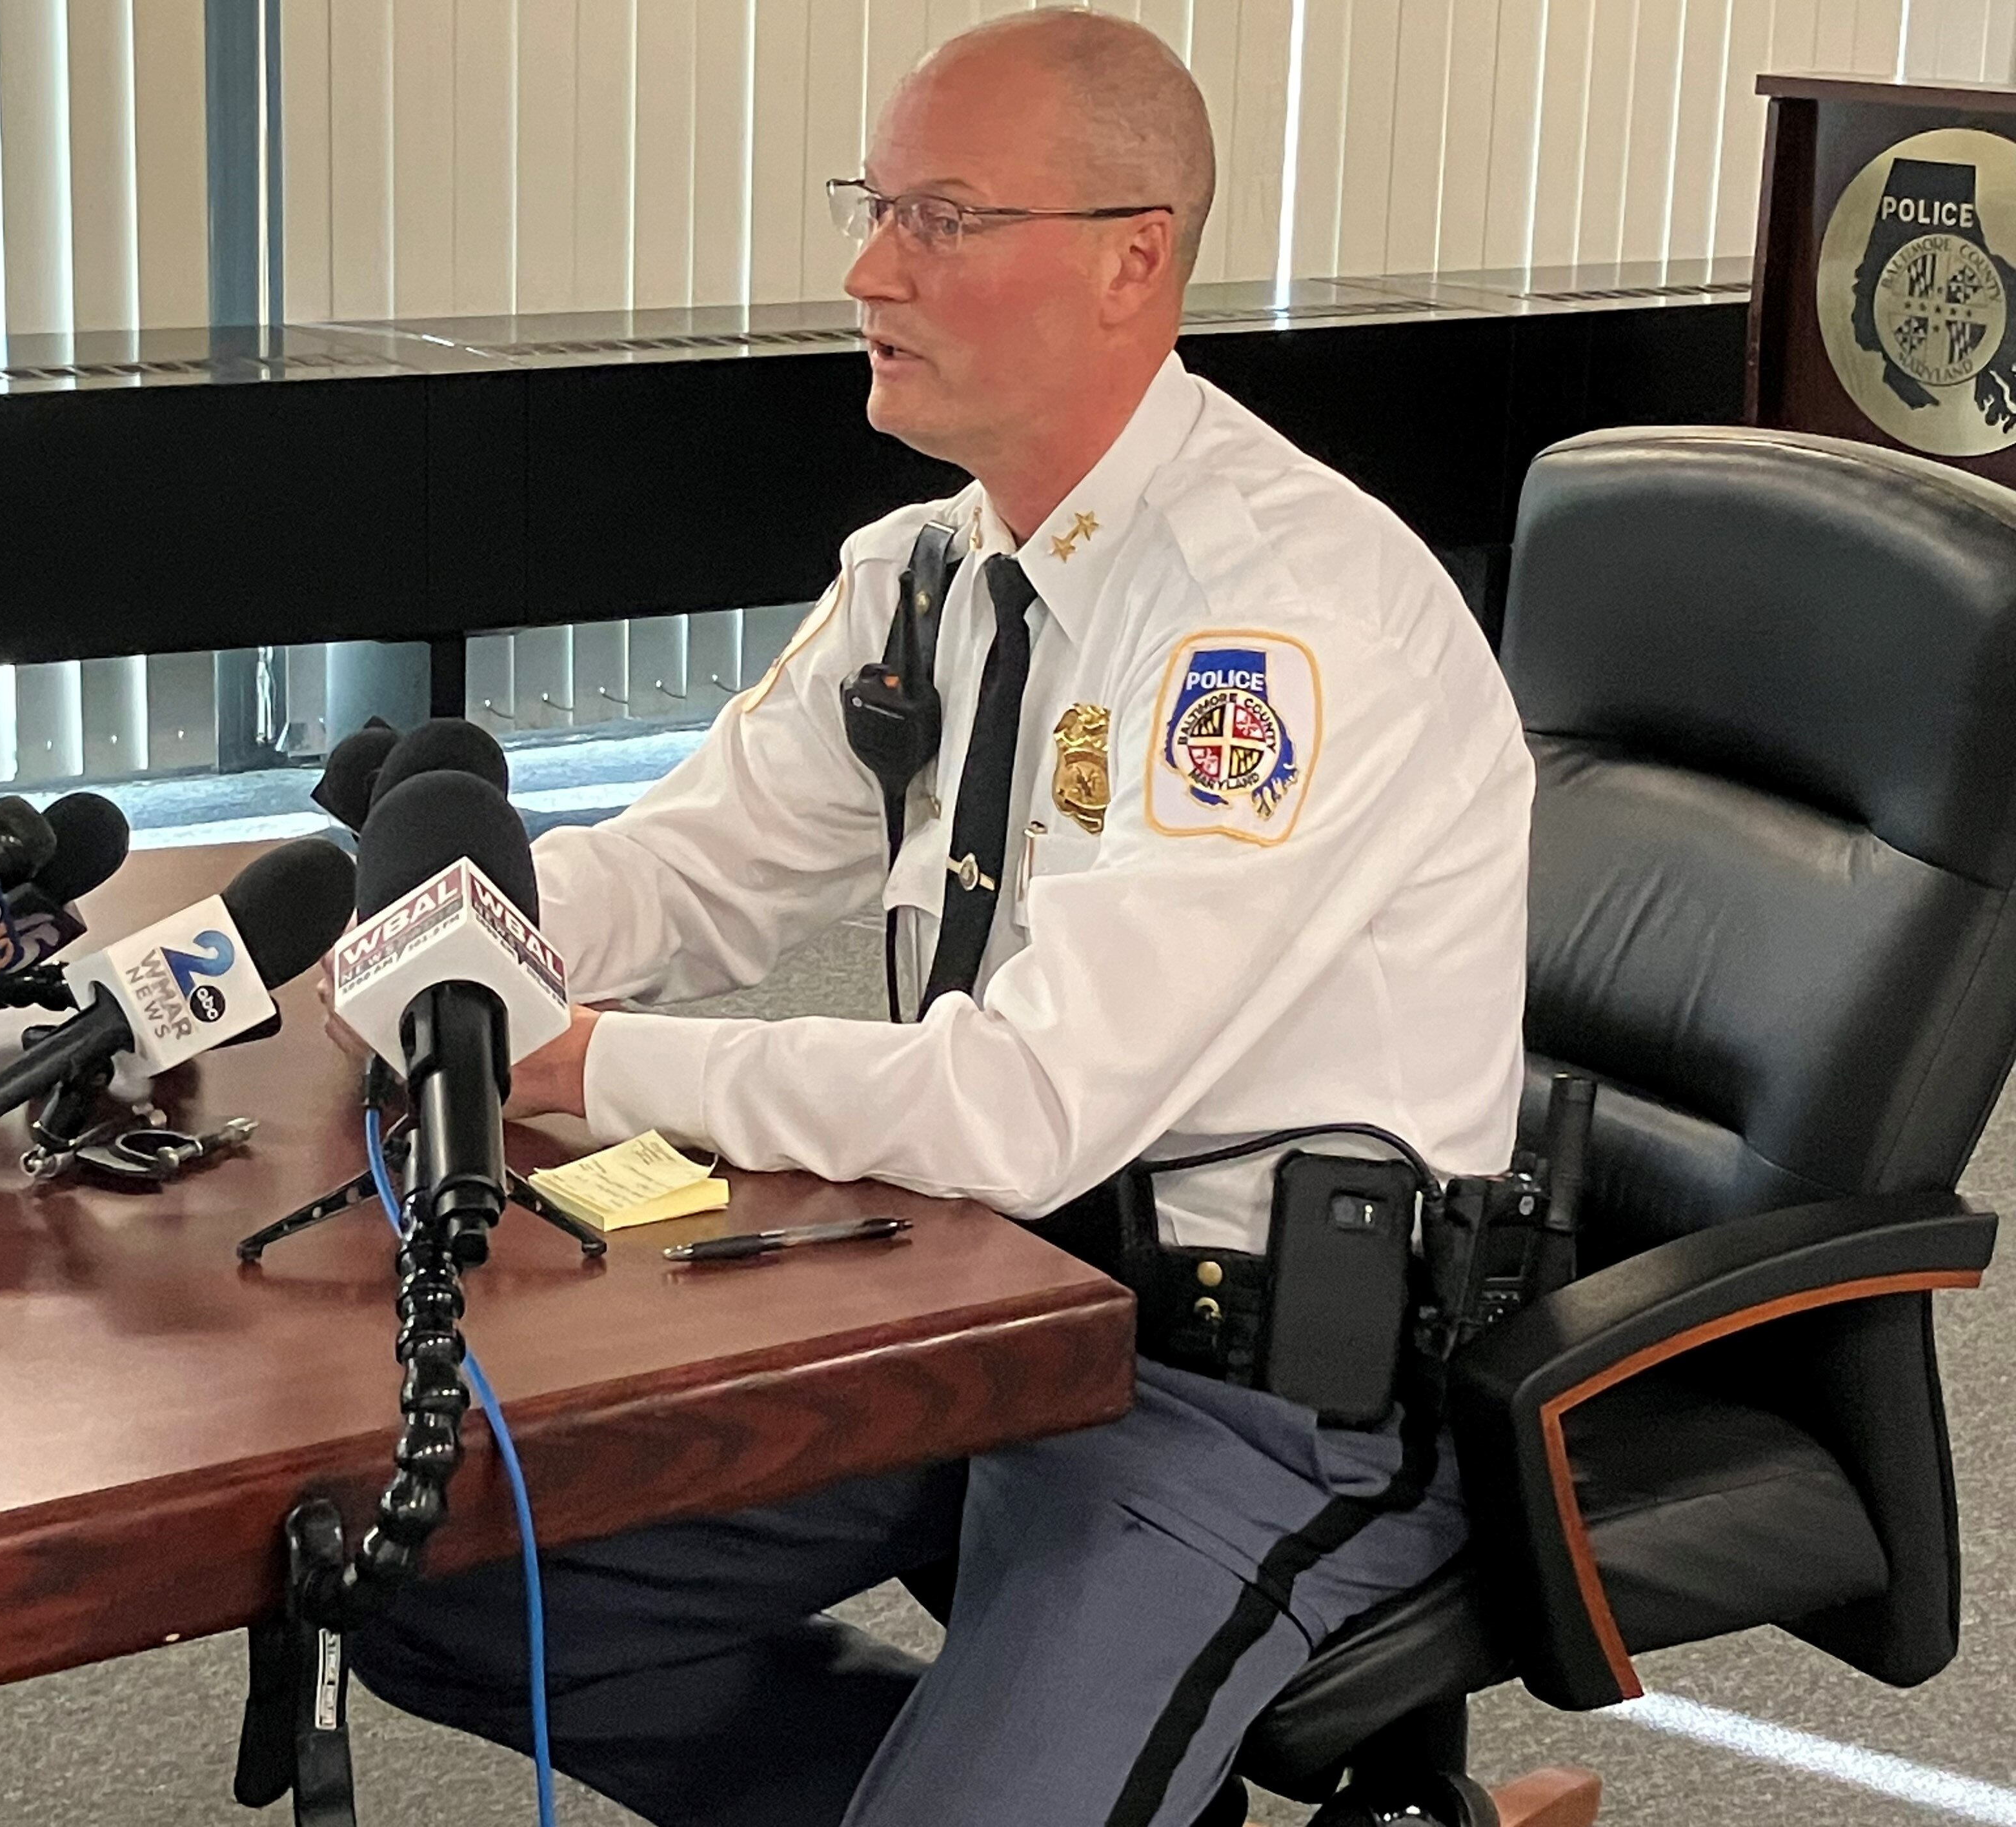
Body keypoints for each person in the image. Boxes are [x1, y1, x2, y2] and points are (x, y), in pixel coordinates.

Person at [337, 11, 1532, 1824]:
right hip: (983, 1301)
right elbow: (687, 869)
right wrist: (447, 947)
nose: (869, 268)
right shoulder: (933, 575)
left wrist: (581, 1060)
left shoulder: (1272, 636)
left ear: (1138, 255)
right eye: (877, 207)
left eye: (947, 219)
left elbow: (1027, 1104)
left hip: (1239, 1394)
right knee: (440, 1586)